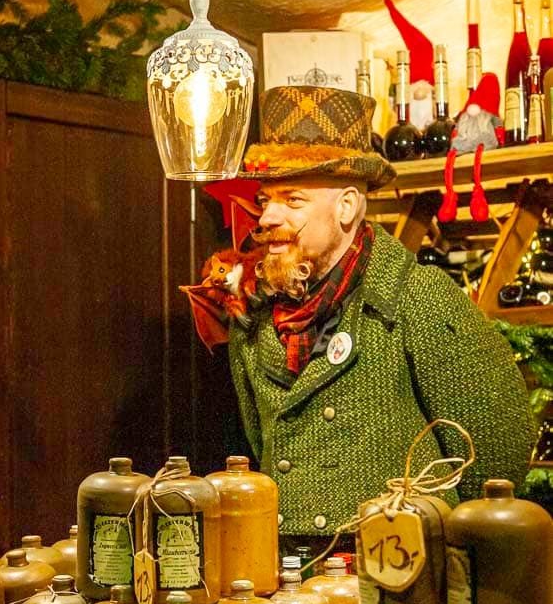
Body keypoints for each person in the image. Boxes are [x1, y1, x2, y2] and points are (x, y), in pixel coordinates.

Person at [223, 85, 534, 548]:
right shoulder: (252, 314)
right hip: (285, 570)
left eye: (292, 200)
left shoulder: (417, 298)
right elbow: (258, 436)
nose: (266, 216)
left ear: (347, 207)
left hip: (401, 568)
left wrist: (436, 543)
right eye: (266, 198)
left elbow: (495, 453)